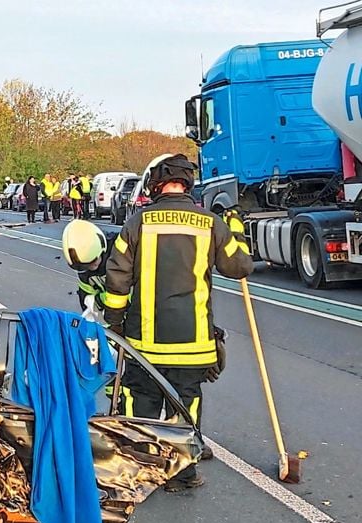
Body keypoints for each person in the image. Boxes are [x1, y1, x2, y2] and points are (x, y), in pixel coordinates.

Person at [101, 153, 253, 490]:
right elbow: (240, 267)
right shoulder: (211, 223)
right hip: (194, 343)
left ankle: (138, 468)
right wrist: (236, 228)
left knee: (141, 401)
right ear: (188, 184)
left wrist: (114, 323)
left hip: (144, 345)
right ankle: (183, 472)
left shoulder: (138, 222)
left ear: (156, 184)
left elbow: (117, 280)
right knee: (186, 403)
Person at [61, 219, 115, 318]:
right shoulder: (83, 268)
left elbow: (131, 292)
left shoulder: (121, 254)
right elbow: (86, 297)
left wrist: (99, 300)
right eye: (85, 266)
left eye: (92, 262)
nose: (91, 268)